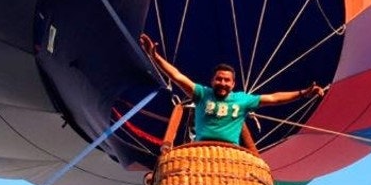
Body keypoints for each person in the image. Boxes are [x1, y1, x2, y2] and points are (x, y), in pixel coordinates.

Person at [139, 33, 325, 146]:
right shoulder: (202, 94)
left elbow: (274, 98)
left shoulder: (242, 100)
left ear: (233, 84)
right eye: (219, 79)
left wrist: (303, 93)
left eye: (227, 80)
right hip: (201, 150)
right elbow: (177, 76)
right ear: (212, 81)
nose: (222, 83)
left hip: (230, 153)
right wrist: (154, 57)